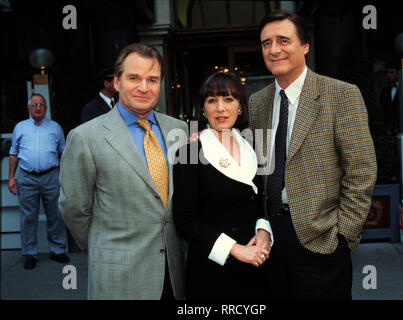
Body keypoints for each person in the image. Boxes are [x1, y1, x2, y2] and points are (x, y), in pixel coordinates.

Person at [248, 10, 377, 300]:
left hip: (322, 238)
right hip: (270, 240)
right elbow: (254, 165)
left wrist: (343, 235)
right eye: (266, 43)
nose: (274, 49)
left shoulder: (341, 95)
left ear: (305, 46)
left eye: (283, 40)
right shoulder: (257, 103)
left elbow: (361, 170)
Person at [59, 43, 188, 300]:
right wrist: (103, 248)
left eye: (152, 79)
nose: (144, 87)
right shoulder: (85, 137)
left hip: (174, 275)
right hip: (119, 278)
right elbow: (74, 209)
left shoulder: (179, 131)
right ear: (116, 82)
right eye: (134, 78)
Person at [173, 72, 273, 300]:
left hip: (256, 266)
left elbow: (260, 202)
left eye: (228, 99)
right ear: (203, 108)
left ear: (240, 106)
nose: (220, 108)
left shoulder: (252, 145)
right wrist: (236, 250)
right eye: (212, 100)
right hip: (212, 273)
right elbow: (185, 220)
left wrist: (263, 232)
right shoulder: (189, 152)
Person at [8, 93, 70, 270]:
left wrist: (65, 177)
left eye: (41, 104)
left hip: (51, 176)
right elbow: (13, 153)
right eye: (34, 104)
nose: (38, 107)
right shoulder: (20, 127)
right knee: (28, 217)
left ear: (46, 108)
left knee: (55, 215)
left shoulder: (55, 127)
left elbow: (63, 153)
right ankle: (29, 253)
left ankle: (58, 250)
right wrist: (12, 177)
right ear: (28, 108)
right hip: (26, 177)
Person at [379, 61, 400, 130]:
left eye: (392, 72)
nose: (389, 75)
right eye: (387, 73)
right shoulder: (385, 90)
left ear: (398, 73)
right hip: (388, 127)